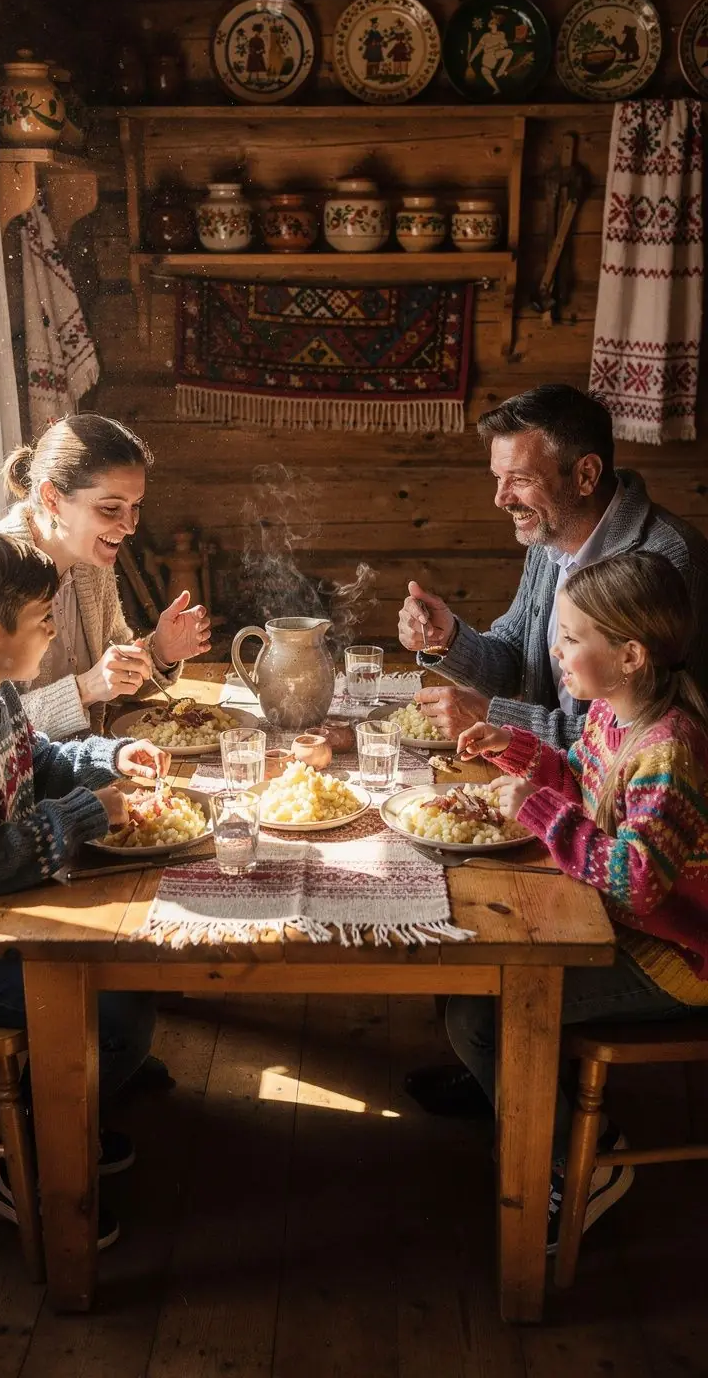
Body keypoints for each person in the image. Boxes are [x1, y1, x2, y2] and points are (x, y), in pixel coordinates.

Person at [0, 529, 172, 1249]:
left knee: (136, 974)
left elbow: (39, 760)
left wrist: (110, 754)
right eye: (45, 620)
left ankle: (72, 1104)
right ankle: (37, 1172)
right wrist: (84, 812)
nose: (53, 632)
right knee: (114, 1018)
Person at [420, 552, 708, 1250]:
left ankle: (582, 1159)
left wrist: (543, 814)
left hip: (675, 958)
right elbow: (579, 782)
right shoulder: (610, 715)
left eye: (573, 637)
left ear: (631, 654)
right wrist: (517, 752)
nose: (556, 649)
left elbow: (638, 879)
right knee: (461, 956)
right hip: (617, 922)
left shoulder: (669, 752)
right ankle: (520, 1104)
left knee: (482, 1015)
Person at [397, 385, 708, 748]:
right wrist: (447, 639)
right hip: (544, 773)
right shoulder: (551, 533)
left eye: (521, 479)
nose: (501, 499)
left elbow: (652, 732)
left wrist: (494, 716)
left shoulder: (671, 559)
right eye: (499, 478)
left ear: (586, 475)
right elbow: (518, 660)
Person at [0, 413, 212, 741]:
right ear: (52, 497)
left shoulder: (91, 564)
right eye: (110, 508)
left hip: (79, 769)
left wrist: (160, 652)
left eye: (135, 506)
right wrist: (83, 689)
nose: (130, 525)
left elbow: (114, 678)